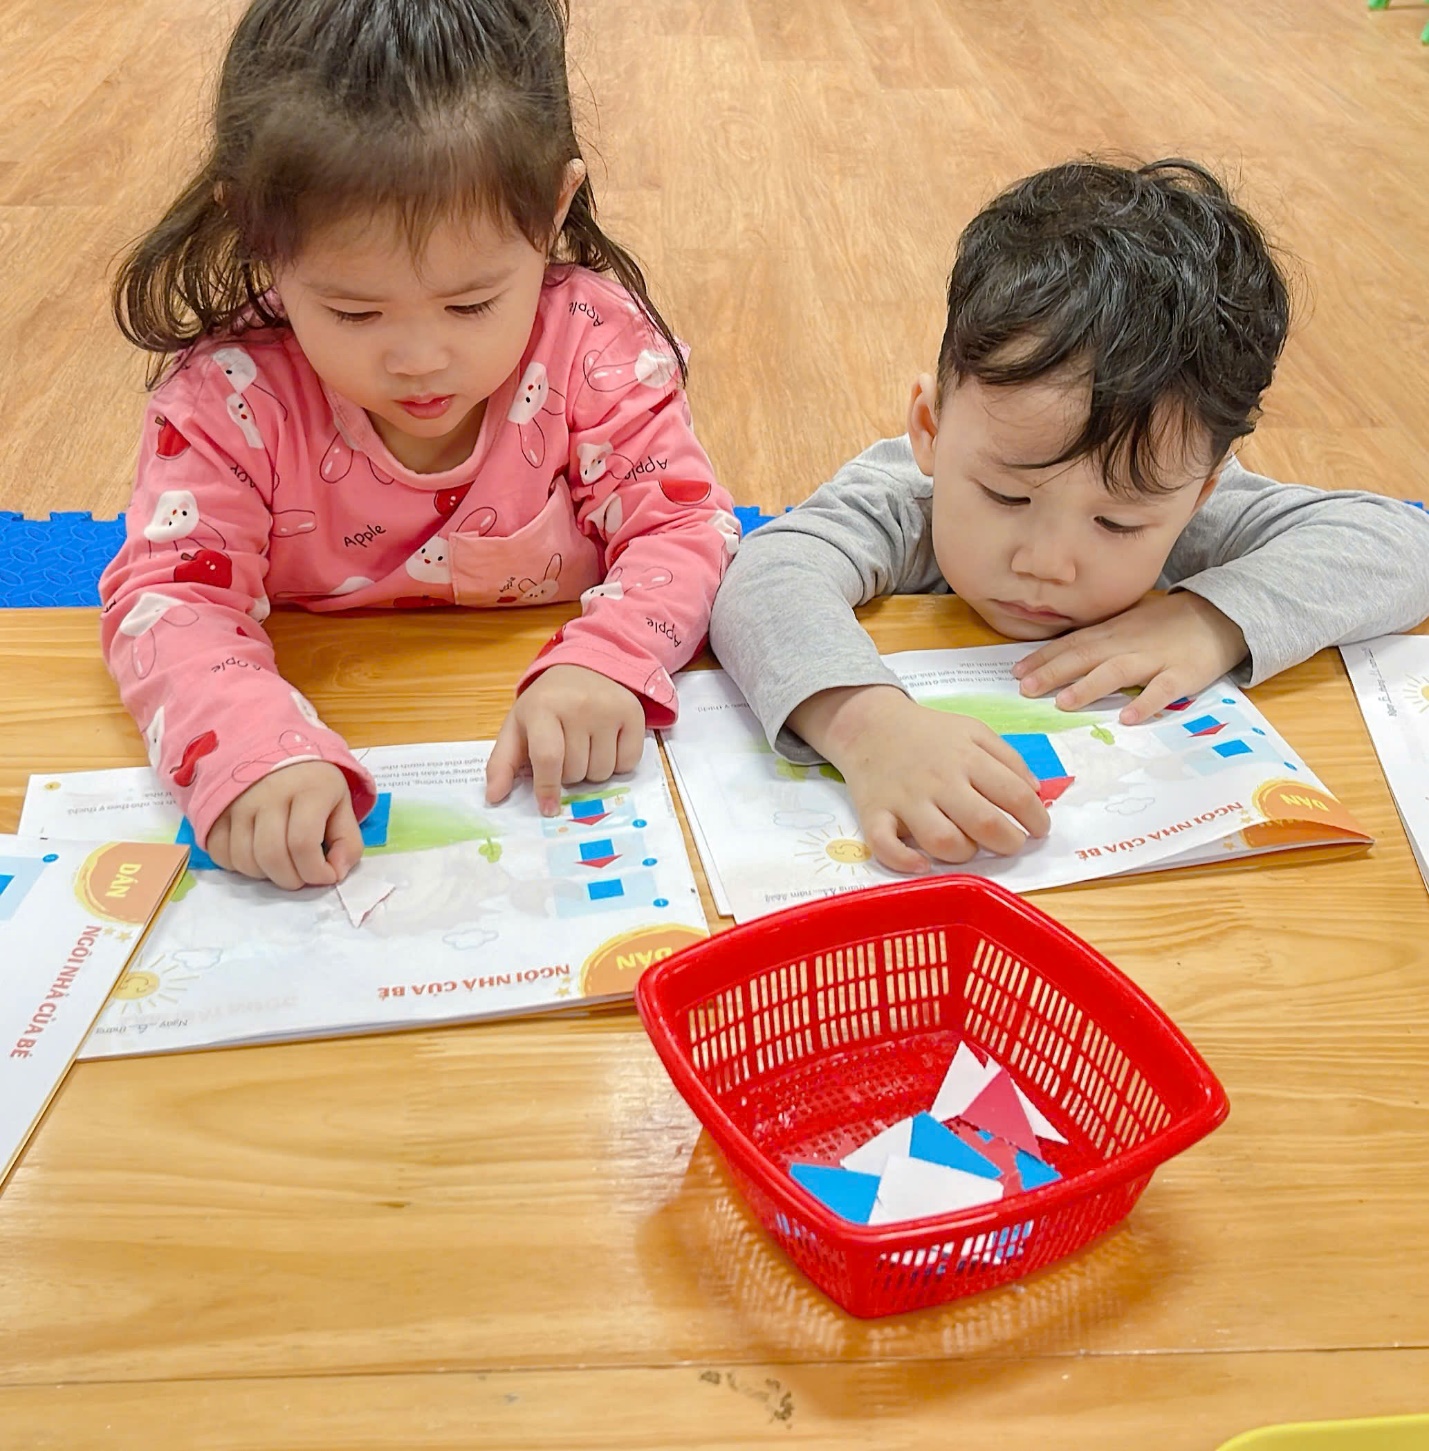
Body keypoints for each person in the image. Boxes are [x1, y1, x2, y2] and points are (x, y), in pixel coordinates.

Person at [102, 0, 737, 891]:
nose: (419, 359)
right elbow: (168, 597)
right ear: (258, 232)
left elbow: (685, 527)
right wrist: (248, 744)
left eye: (471, 303)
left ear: (554, 208)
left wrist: (610, 655)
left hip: (529, 727)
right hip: (337, 705)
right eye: (354, 312)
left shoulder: (591, 342)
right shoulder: (228, 398)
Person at [709, 158, 1429, 875]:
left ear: (1202, 492)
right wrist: (867, 728)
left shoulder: (1180, 500)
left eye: (1116, 526)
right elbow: (765, 573)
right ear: (929, 427)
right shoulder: (906, 496)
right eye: (1006, 498)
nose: (1045, 563)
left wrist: (1210, 619)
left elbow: (1405, 544)